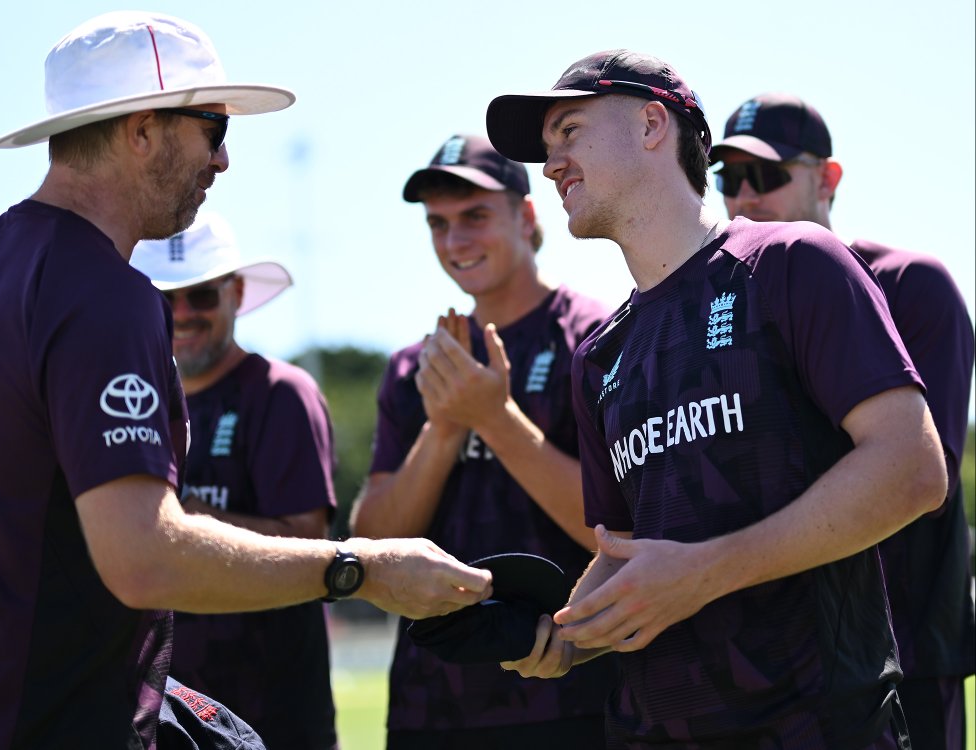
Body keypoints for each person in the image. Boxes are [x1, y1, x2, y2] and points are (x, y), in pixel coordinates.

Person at [0, 12, 491, 749]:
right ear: (142, 131)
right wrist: (360, 569)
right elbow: (143, 559)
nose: (222, 161)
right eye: (213, 128)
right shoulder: (104, 291)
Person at [484, 49, 948, 749]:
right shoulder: (598, 356)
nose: (550, 166)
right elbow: (626, 554)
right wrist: (563, 634)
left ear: (651, 125)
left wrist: (705, 573)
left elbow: (912, 469)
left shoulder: (792, 262)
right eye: (548, 147)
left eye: (569, 131)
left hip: (820, 727)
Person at [708, 92, 976, 750]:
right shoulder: (719, 311)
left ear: (827, 179)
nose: (745, 195)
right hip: (774, 664)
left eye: (767, 173)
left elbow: (920, 481)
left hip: (906, 654)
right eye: (729, 177)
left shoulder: (909, 284)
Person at [350, 134, 615, 748]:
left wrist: (493, 417)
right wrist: (444, 428)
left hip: (568, 686)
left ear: (526, 217)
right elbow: (374, 543)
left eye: (474, 216)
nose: (455, 241)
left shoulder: (595, 336)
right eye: (438, 224)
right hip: (430, 700)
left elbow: (620, 531)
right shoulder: (417, 365)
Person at [130, 212, 340, 750]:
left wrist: (178, 524)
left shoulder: (280, 392)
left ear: (237, 293)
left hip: (272, 714)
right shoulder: (134, 400)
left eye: (201, 295)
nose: (182, 314)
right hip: (164, 715)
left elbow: (311, 546)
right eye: (164, 298)